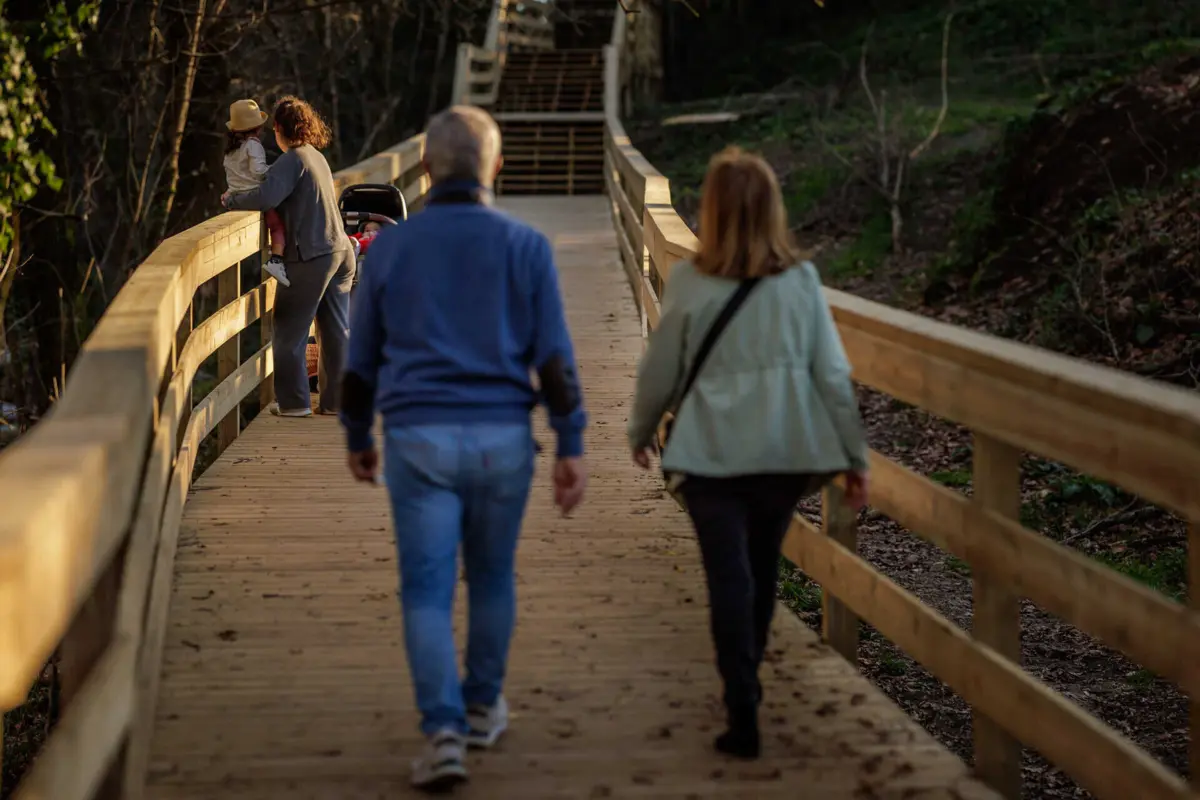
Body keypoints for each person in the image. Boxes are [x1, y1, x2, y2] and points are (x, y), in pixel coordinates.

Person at [338, 104, 589, 792]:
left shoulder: (389, 249)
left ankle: (443, 732)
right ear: (496, 166)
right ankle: (482, 706)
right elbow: (556, 361)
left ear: (425, 169)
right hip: (503, 440)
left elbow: (360, 362)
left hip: (417, 440)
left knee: (425, 590)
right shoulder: (527, 246)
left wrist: (357, 437)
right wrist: (571, 445)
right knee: (492, 576)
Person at [627, 146, 870, 761]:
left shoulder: (690, 280)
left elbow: (660, 368)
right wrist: (852, 457)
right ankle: (749, 678)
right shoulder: (801, 282)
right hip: (782, 455)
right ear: (772, 211)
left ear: (711, 210)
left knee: (728, 577)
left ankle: (742, 703)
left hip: (711, 456)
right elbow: (832, 375)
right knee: (762, 571)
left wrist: (641, 429)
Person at [221, 96, 355, 418]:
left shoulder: (292, 160)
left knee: (288, 330)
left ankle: (294, 403)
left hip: (312, 255)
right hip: (341, 252)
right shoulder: (316, 156)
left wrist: (232, 200)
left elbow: (266, 195)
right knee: (335, 331)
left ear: (278, 129)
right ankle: (336, 402)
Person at [222, 99, 290, 287]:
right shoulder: (253, 145)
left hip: (236, 197)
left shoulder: (231, 149)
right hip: (254, 196)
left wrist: (229, 192)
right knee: (277, 226)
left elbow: (235, 177)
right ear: (258, 128)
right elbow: (259, 172)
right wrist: (277, 169)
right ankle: (276, 260)